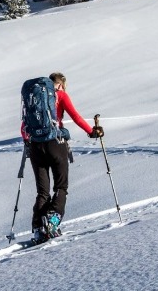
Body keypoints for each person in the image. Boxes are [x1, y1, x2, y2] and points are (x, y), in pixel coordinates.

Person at [22, 72, 103, 244]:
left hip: (36, 146)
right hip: (55, 143)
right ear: (60, 85)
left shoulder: (33, 99)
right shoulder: (61, 95)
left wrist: (29, 142)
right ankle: (52, 221)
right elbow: (76, 116)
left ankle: (38, 228)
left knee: (42, 191)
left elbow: (23, 127)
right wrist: (91, 132)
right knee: (61, 186)